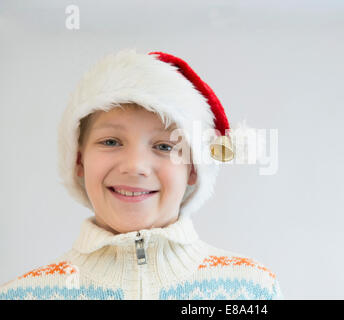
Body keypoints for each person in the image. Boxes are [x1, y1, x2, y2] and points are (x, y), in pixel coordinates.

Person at [0, 49, 283, 300]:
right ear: (79, 160)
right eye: (110, 141)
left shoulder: (250, 290)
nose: (135, 166)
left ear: (193, 168)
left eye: (163, 146)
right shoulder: (23, 295)